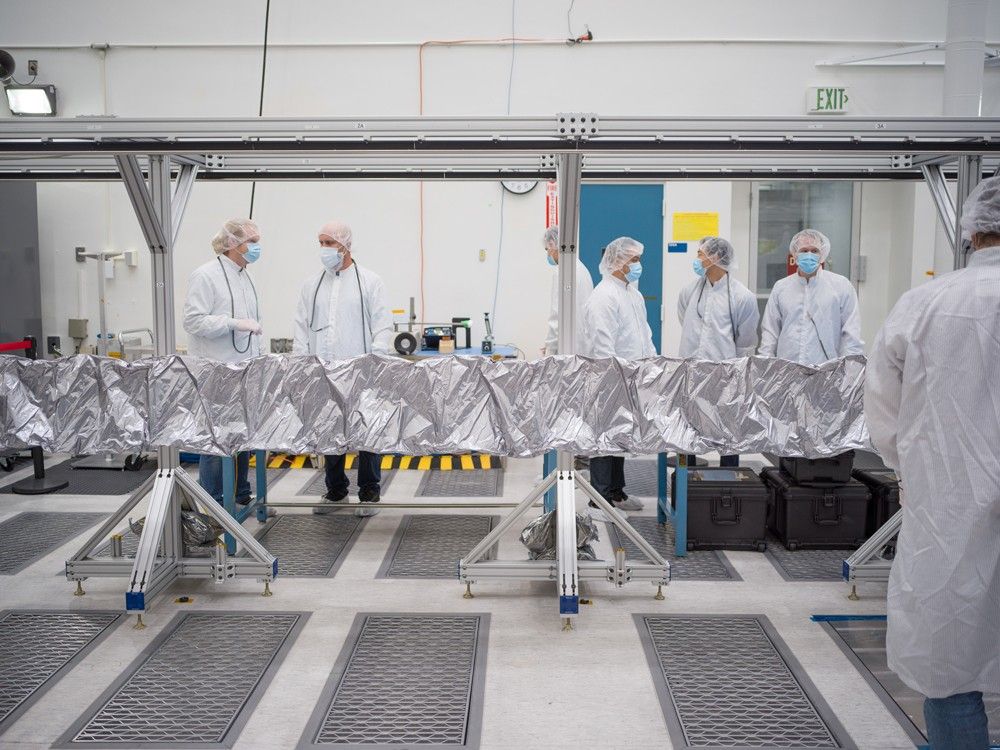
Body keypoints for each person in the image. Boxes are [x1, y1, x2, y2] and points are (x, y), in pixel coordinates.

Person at [865, 176, 1000, 750]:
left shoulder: (924, 304)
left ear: (970, 231)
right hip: (949, 492)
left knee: (949, 655)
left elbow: (884, 409)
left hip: (949, 500)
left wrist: (915, 470)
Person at [293, 220, 392, 510]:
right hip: (323, 370)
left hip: (361, 369)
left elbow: (382, 324)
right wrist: (302, 362)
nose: (324, 249)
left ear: (345, 245)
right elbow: (301, 325)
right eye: (321, 243)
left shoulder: (370, 282)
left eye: (329, 243)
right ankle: (335, 489)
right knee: (328, 429)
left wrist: (376, 359)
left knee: (366, 430)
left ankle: (369, 490)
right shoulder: (312, 285)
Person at [182, 218, 263, 506]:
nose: (256, 247)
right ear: (232, 243)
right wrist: (233, 323)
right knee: (216, 441)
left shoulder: (245, 276)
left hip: (244, 370)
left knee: (242, 437)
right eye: (251, 241)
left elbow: (252, 325)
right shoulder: (205, 275)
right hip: (215, 371)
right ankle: (214, 500)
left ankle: (239, 494)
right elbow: (192, 321)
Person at [583, 236, 656, 512]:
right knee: (605, 437)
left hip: (633, 374)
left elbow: (643, 334)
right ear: (617, 262)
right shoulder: (604, 296)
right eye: (633, 260)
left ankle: (616, 491)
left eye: (638, 259)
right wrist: (613, 378)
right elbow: (603, 344)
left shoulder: (633, 294)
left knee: (621, 435)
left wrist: (651, 364)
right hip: (612, 377)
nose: (638, 265)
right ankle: (599, 498)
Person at [678, 236, 759, 468]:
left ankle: (728, 482)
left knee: (728, 432)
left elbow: (745, 340)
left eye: (701, 254)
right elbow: (685, 319)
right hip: (692, 370)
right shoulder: (690, 290)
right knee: (689, 429)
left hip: (725, 374)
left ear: (715, 258)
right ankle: (689, 483)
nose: (697, 258)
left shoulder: (742, 297)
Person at [759, 228, 863, 364]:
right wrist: (764, 366)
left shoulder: (841, 286)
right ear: (795, 254)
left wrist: (849, 371)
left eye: (814, 251)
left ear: (823, 254)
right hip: (787, 371)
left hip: (827, 371)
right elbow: (770, 333)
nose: (809, 255)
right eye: (804, 250)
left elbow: (851, 335)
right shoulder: (781, 287)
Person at [542, 226, 594, 355]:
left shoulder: (562, 271)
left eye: (547, 249)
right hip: (584, 345)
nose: (548, 254)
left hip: (567, 348)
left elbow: (557, 313)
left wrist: (550, 347)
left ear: (552, 244)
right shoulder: (582, 269)